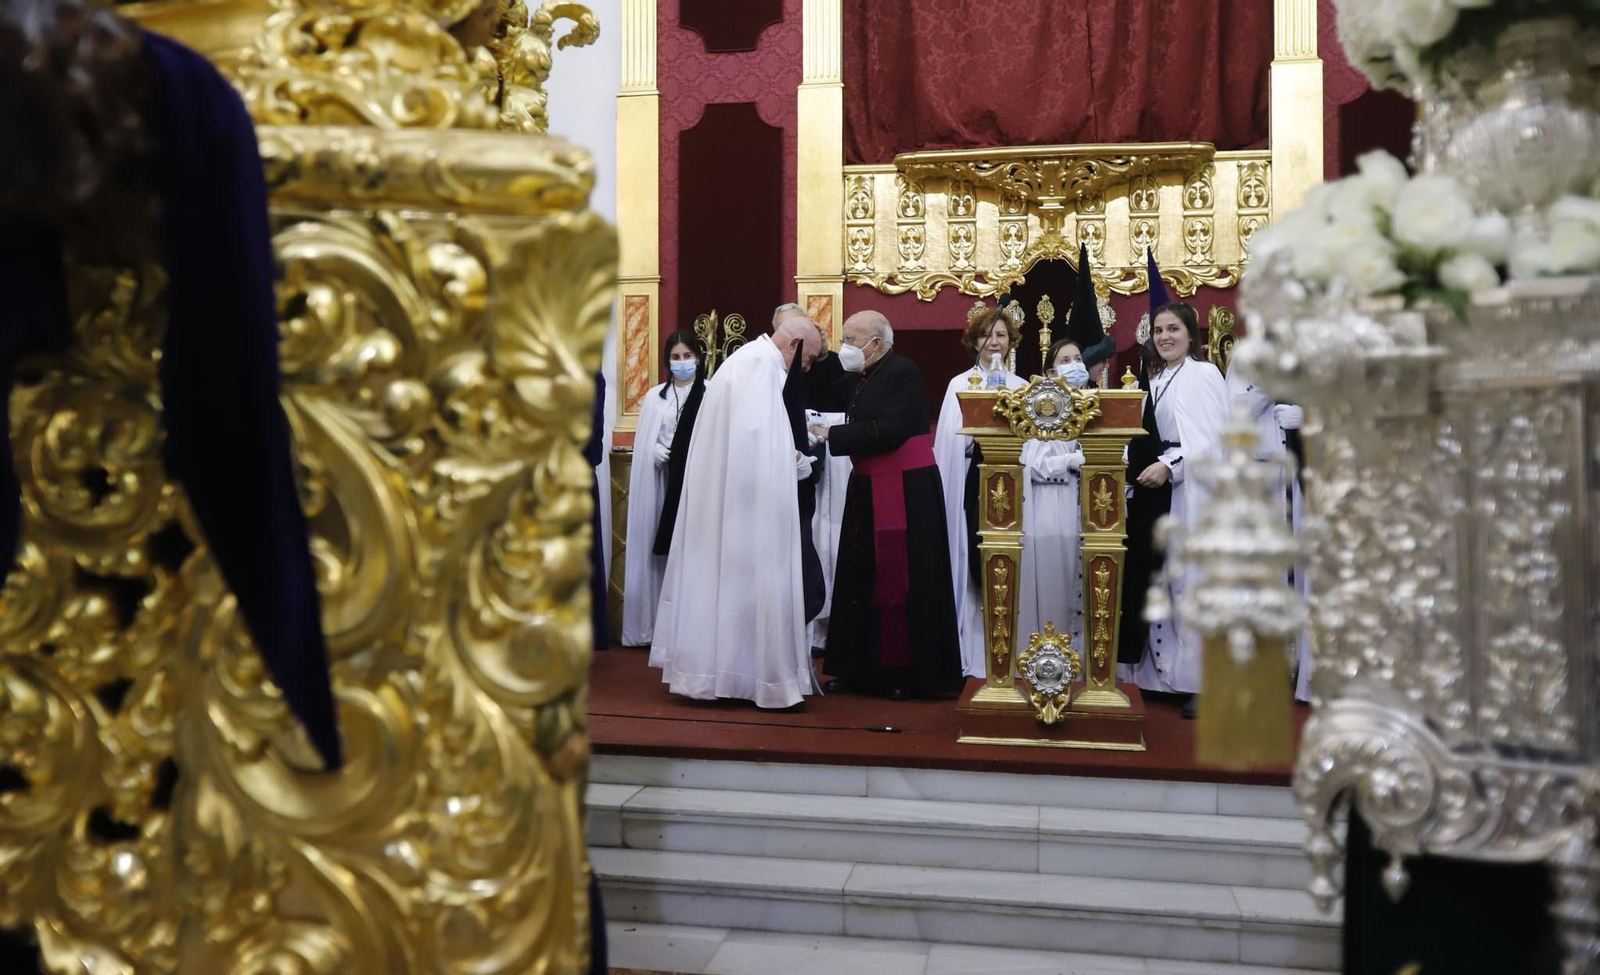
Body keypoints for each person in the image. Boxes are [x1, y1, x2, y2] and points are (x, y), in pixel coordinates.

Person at [648, 305, 825, 711]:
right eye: (809, 359)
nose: (807, 369)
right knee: (748, 590)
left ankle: (734, 677)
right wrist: (798, 462)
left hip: (734, 500)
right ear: (795, 344)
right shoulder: (759, 367)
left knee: (731, 591)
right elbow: (756, 441)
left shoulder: (751, 360)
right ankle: (757, 680)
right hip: (745, 505)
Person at [814, 312, 962, 699]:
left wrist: (832, 434)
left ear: (876, 343)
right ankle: (860, 671)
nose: (845, 345)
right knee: (860, 576)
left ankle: (904, 674)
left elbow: (888, 430)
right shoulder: (862, 377)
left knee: (900, 582)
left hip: (904, 490)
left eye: (851, 338)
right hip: (867, 488)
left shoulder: (902, 371)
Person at [1116, 302, 1229, 716]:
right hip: (1156, 496)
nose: (1165, 337)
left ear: (1190, 335)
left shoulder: (1203, 374)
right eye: (1159, 331)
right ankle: (1159, 676)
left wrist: (1171, 466)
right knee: (1159, 580)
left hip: (1191, 495)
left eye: (1173, 329)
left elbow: (1215, 440)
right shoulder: (1157, 379)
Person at [933, 302, 1028, 678]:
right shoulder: (960, 384)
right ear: (975, 341)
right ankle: (972, 648)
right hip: (975, 479)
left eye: (1001, 335)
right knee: (976, 560)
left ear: (1011, 341)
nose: (994, 342)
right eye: (987, 335)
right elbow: (950, 442)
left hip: (1014, 481)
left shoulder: (1022, 387)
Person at [1224, 369, 1313, 703]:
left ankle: (1299, 666)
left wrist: (1308, 419)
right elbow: (1233, 411)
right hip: (1259, 477)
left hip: (1300, 474)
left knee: (1298, 572)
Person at [619, 331, 705, 646]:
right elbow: (645, 439)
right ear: (667, 361)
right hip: (660, 480)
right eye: (675, 357)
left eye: (687, 356)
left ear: (698, 357)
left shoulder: (709, 393)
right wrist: (653, 450)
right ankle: (650, 627)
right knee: (657, 547)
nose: (682, 363)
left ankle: (687, 629)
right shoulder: (656, 397)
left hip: (693, 481)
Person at [1017, 339, 1090, 657]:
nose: (1073, 365)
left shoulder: (1095, 405)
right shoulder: (1040, 410)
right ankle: (1050, 657)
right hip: (1052, 505)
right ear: (1051, 371)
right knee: (1054, 585)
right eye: (1065, 360)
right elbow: (1032, 464)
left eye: (1077, 358)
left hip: (1088, 507)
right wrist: (1070, 462)